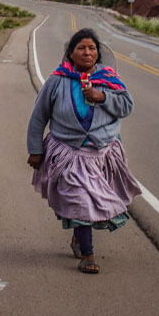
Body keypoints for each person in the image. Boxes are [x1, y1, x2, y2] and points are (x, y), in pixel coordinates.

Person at [26, 28, 141, 274]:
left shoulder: (109, 79)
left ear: (98, 54)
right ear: (71, 54)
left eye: (91, 48)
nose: (87, 52)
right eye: (81, 48)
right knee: (79, 200)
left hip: (101, 153)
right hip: (69, 152)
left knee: (92, 204)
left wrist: (102, 97)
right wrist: (35, 150)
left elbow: (126, 106)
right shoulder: (57, 81)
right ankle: (88, 255)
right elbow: (38, 117)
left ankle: (80, 239)